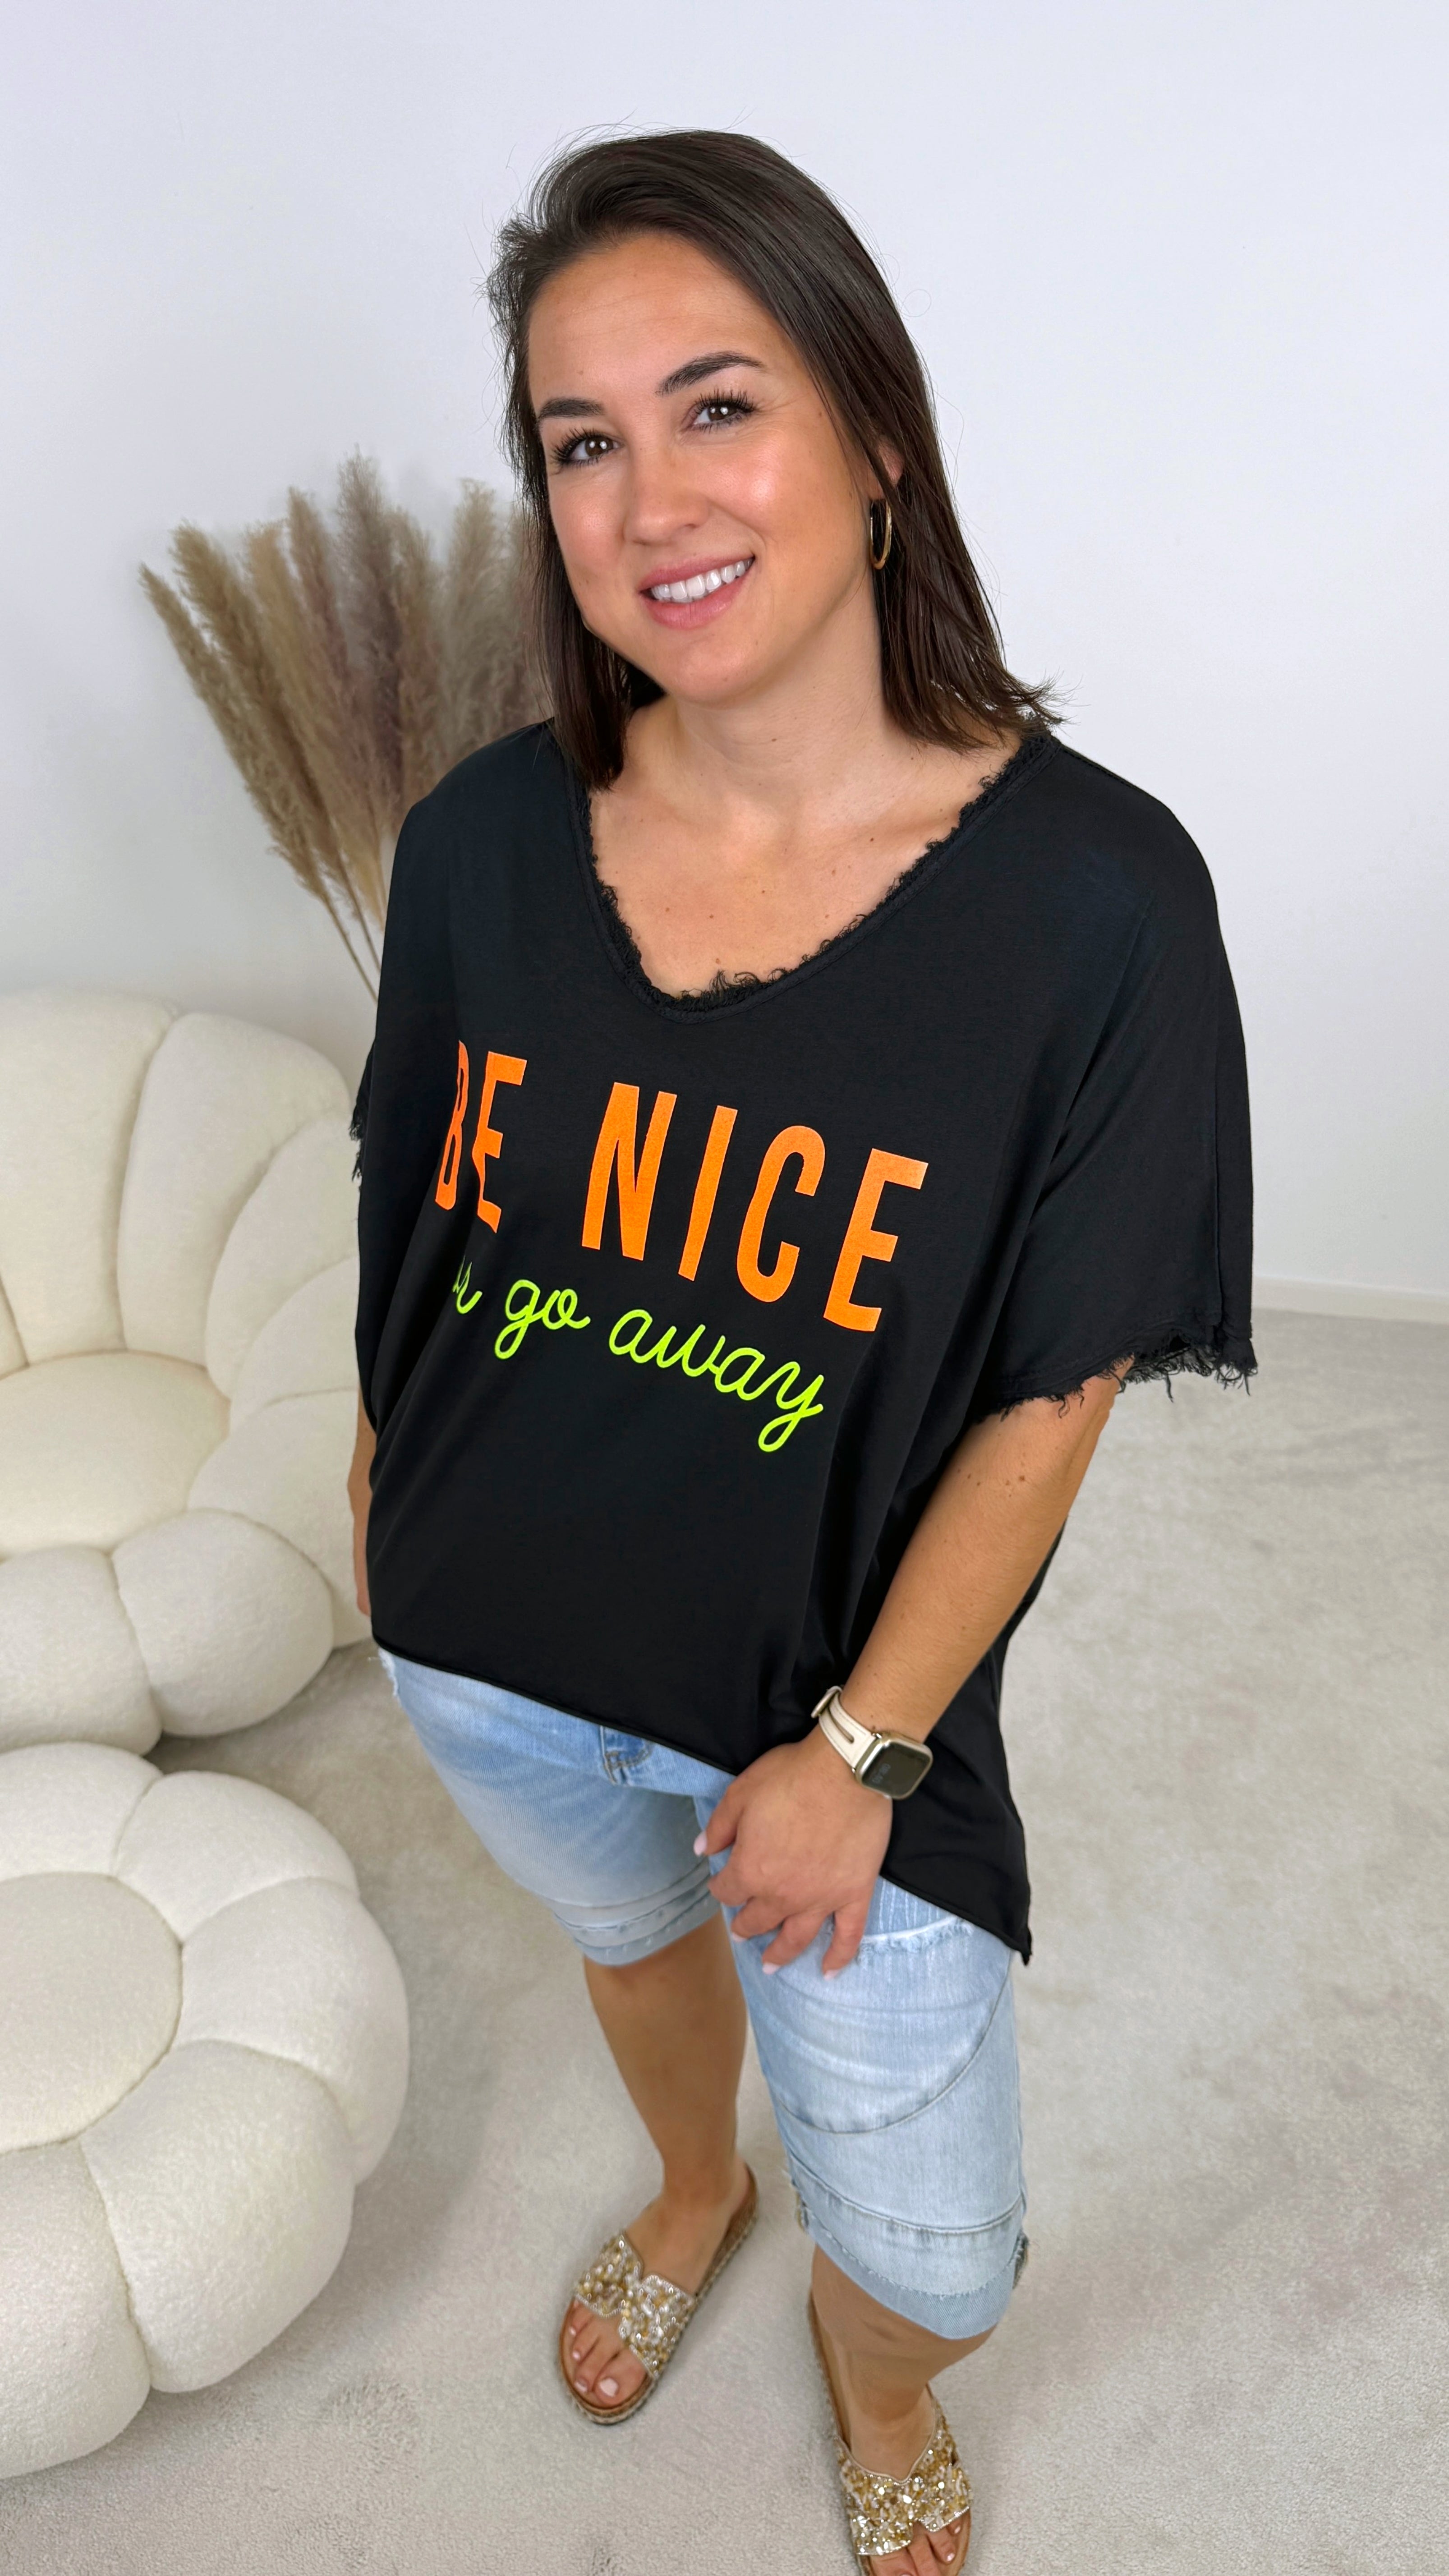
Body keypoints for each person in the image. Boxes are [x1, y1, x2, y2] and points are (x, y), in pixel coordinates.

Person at [348, 130, 1254, 2576]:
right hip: (488, 1649)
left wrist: (861, 1755)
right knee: (632, 1951)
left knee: (942, 2254)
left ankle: (883, 2385)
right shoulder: (479, 845)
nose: (650, 501)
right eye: (582, 440)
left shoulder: (1099, 907)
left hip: (829, 1726)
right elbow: (416, 1199)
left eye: (718, 406)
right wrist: (384, 1478)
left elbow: (1054, 1388)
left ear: (874, 433)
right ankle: (692, 2191)